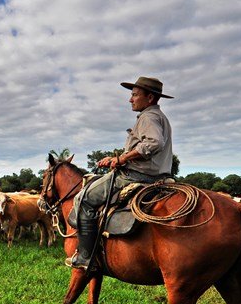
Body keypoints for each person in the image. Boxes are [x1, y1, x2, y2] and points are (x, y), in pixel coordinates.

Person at [65, 76, 175, 270]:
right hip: (157, 176)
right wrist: (114, 158)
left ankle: (86, 256)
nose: (130, 100)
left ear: (149, 98)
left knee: (84, 199)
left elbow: (154, 142)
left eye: (134, 95)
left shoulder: (148, 117)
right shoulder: (159, 117)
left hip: (136, 176)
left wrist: (122, 159)